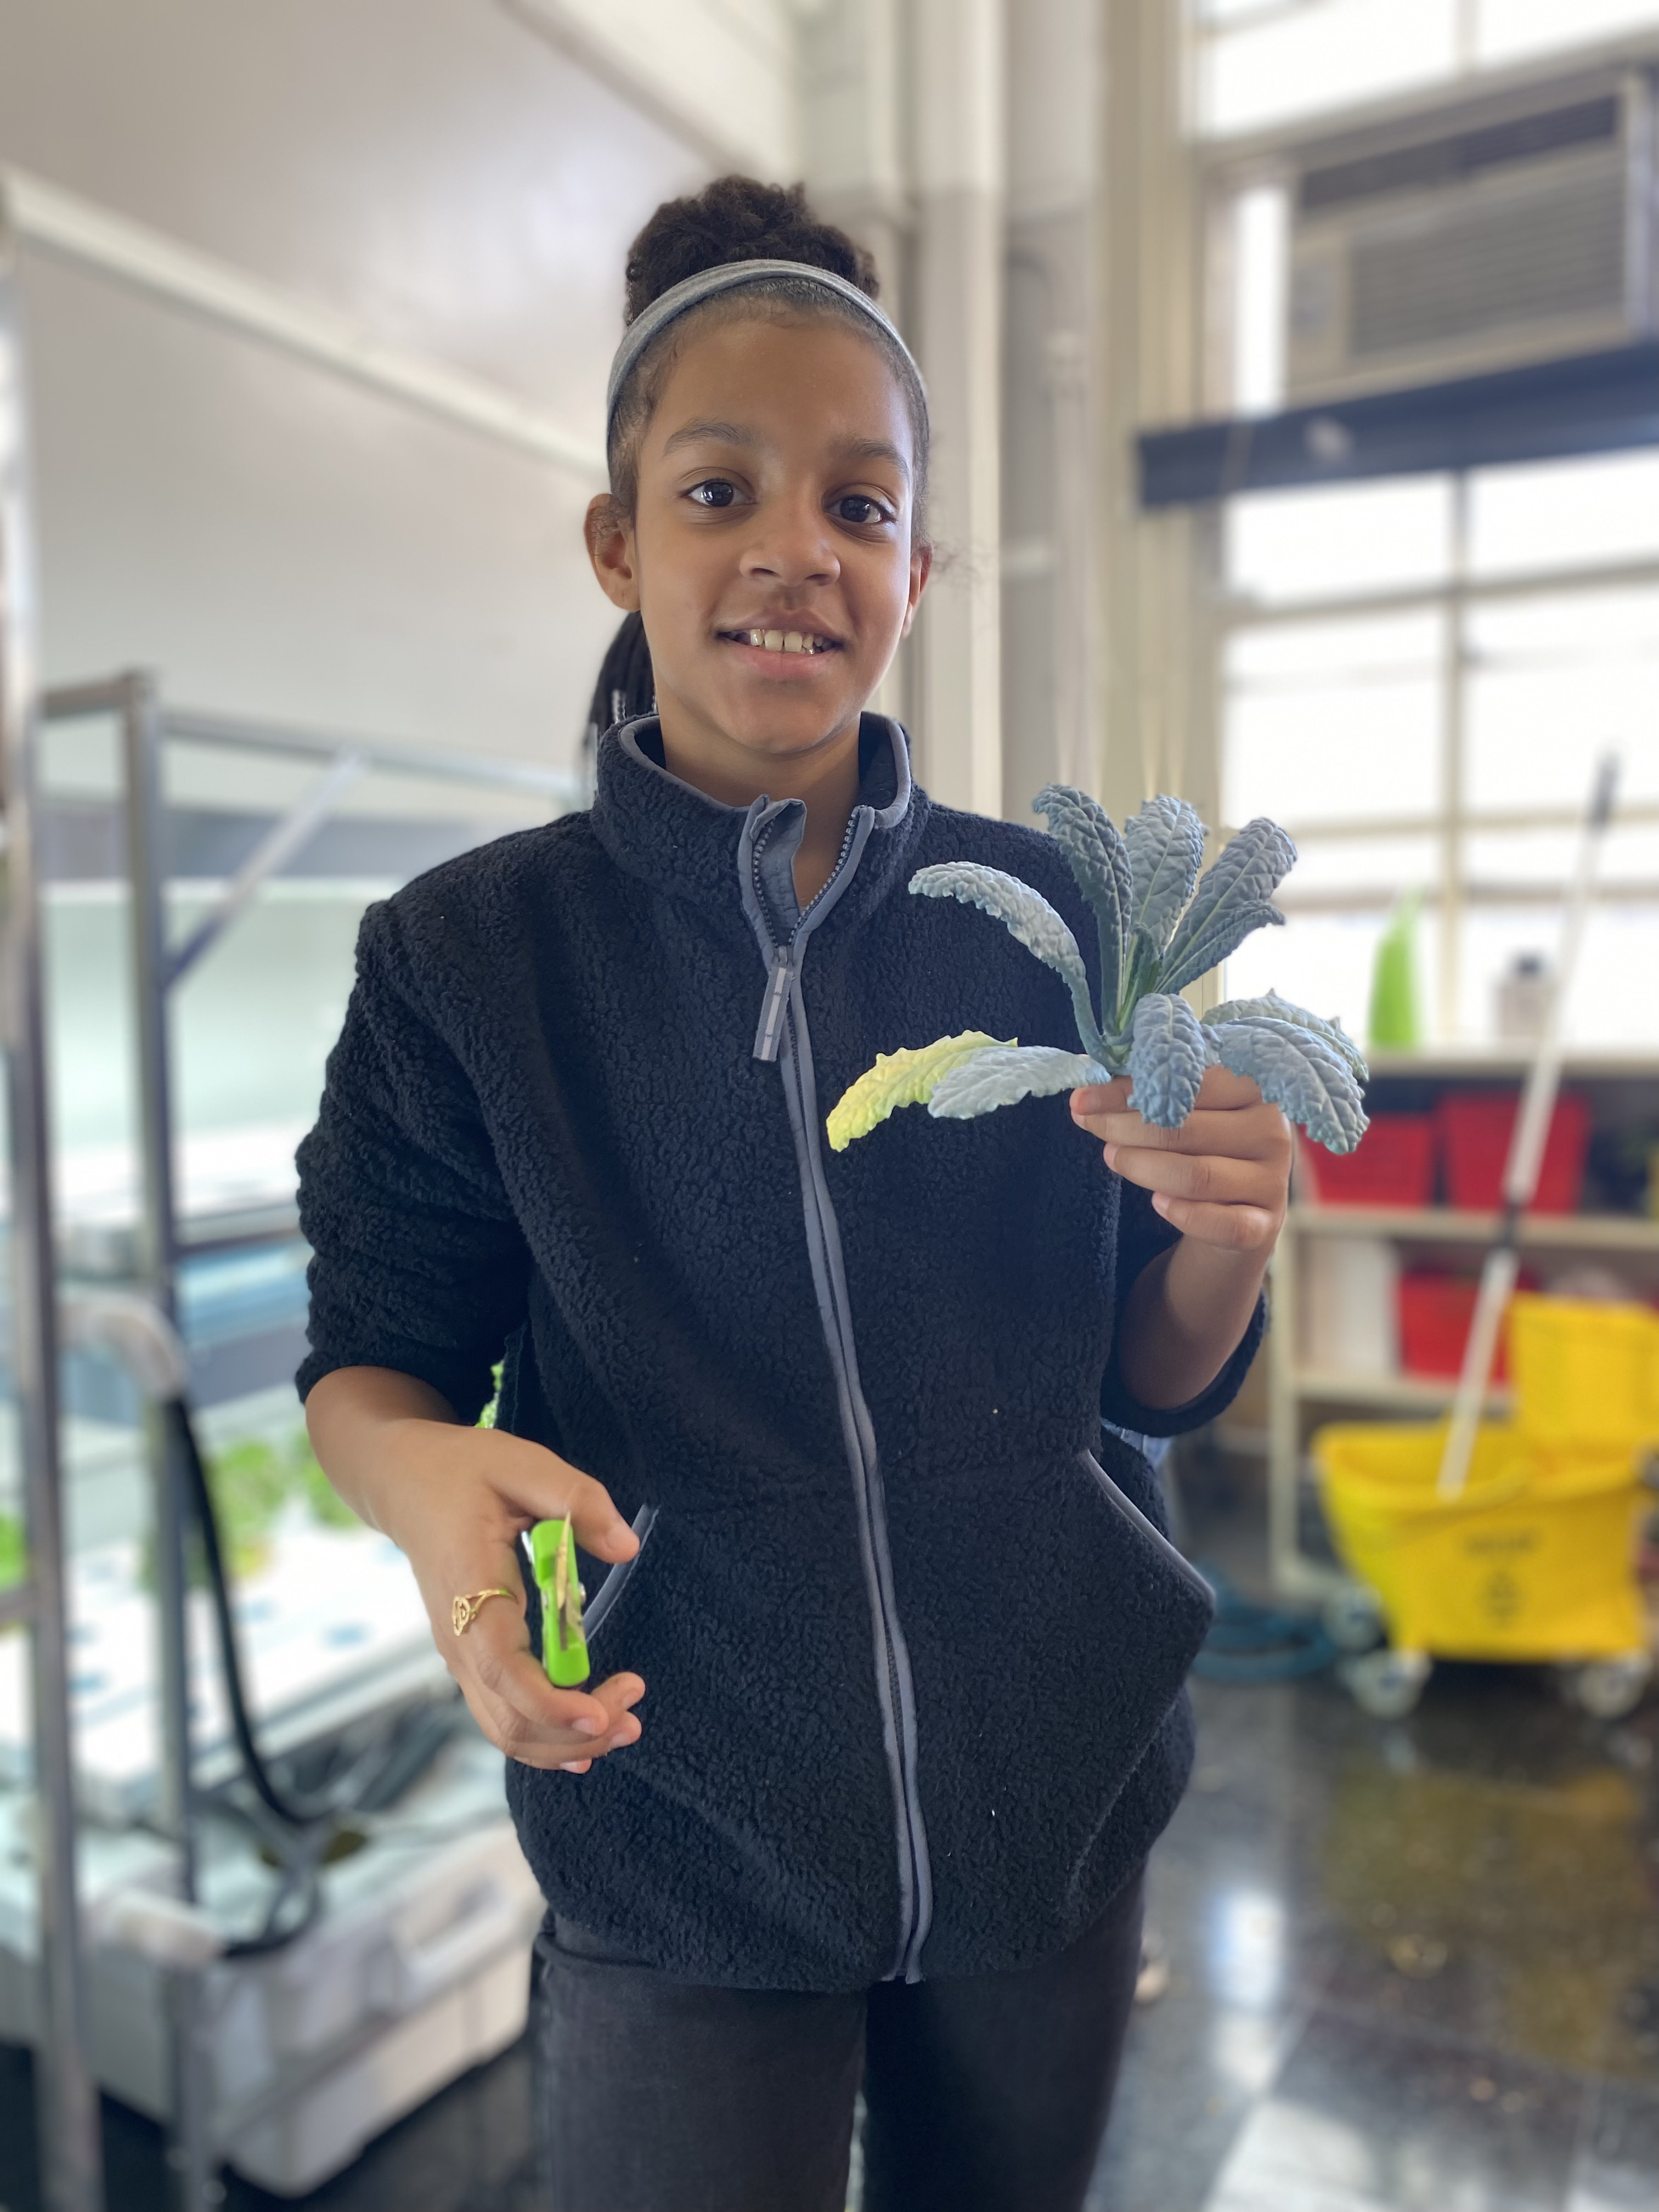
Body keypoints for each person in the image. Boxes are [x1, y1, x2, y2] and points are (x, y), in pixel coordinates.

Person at [298, 176, 1291, 2212]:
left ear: (919, 564)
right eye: (719, 489)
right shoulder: (469, 960)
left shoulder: (1055, 924)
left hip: (1050, 1803)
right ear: (618, 541)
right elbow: (373, 1364)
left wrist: (1217, 1242)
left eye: (856, 505)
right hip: (677, 1816)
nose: (792, 554)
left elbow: (1152, 1381)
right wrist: (429, 1505)